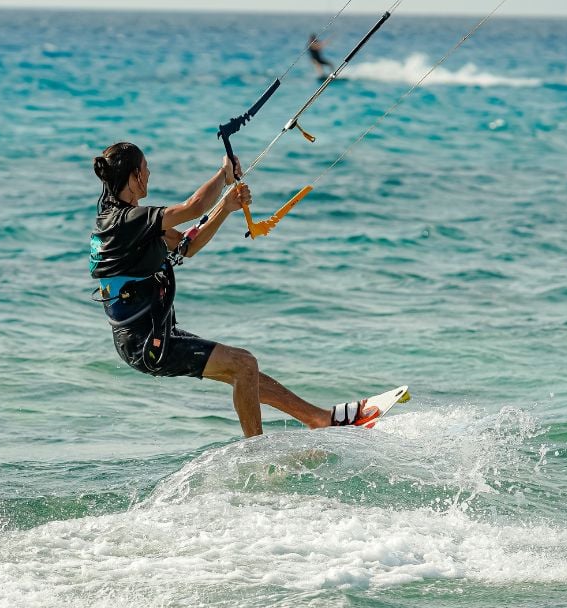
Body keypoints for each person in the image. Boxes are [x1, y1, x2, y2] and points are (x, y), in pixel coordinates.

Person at [89, 141, 380, 437]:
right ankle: (258, 450)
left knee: (243, 370)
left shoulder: (123, 222)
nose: (150, 173)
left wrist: (226, 207)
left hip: (153, 336)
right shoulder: (126, 222)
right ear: (135, 176)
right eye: (146, 168)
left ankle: (318, 418)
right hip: (147, 343)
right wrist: (223, 175)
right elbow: (194, 207)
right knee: (244, 365)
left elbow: (187, 247)